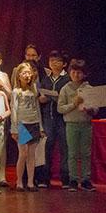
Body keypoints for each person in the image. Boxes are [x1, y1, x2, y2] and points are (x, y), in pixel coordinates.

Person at [57, 59, 98, 192]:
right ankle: (73, 179)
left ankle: (86, 179)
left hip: (86, 124)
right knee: (72, 153)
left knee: (86, 153)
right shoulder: (65, 88)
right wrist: (74, 104)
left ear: (84, 74)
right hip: (71, 124)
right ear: (69, 73)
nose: (76, 75)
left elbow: (96, 109)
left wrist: (90, 109)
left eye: (79, 72)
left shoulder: (89, 89)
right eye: (73, 72)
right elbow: (60, 108)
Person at [36, 50, 70, 188]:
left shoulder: (68, 79)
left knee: (65, 149)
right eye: (51, 61)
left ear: (64, 64)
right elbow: (39, 97)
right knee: (46, 148)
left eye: (57, 61)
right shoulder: (46, 79)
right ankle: (45, 179)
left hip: (63, 119)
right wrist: (42, 99)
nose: (54, 64)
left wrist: (58, 99)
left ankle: (66, 179)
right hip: (48, 118)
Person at [11, 63, 44, 192]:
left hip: (34, 123)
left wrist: (40, 127)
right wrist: (14, 128)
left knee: (32, 155)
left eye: (29, 72)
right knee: (23, 154)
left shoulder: (34, 89)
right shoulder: (16, 91)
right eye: (24, 73)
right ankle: (19, 181)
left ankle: (30, 182)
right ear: (19, 75)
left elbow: (37, 109)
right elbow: (14, 110)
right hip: (22, 125)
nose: (27, 75)